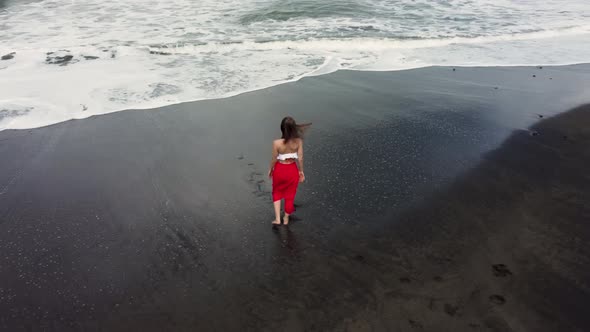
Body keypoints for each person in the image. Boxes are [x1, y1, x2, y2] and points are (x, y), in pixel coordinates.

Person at [268, 116, 310, 225]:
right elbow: (300, 158)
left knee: (276, 192)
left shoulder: (276, 143)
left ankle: (277, 219)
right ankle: (286, 218)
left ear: (282, 128)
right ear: (294, 128)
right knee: (290, 195)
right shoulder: (298, 142)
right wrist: (301, 171)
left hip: (280, 169)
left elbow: (274, 159)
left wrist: (271, 169)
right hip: (292, 170)